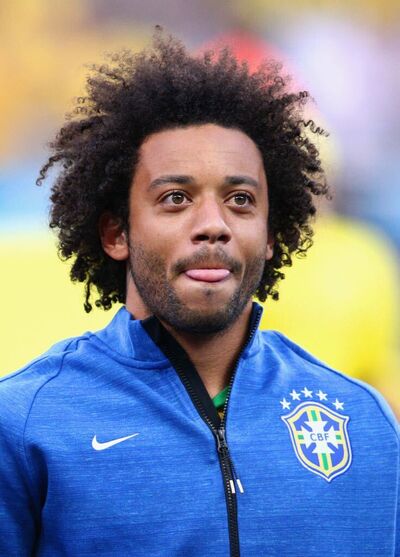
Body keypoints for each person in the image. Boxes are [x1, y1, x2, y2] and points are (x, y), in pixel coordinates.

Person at [0, 30, 398, 557]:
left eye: (240, 199)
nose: (213, 224)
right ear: (116, 233)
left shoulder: (363, 420)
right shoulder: (25, 424)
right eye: (175, 197)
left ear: (271, 234)